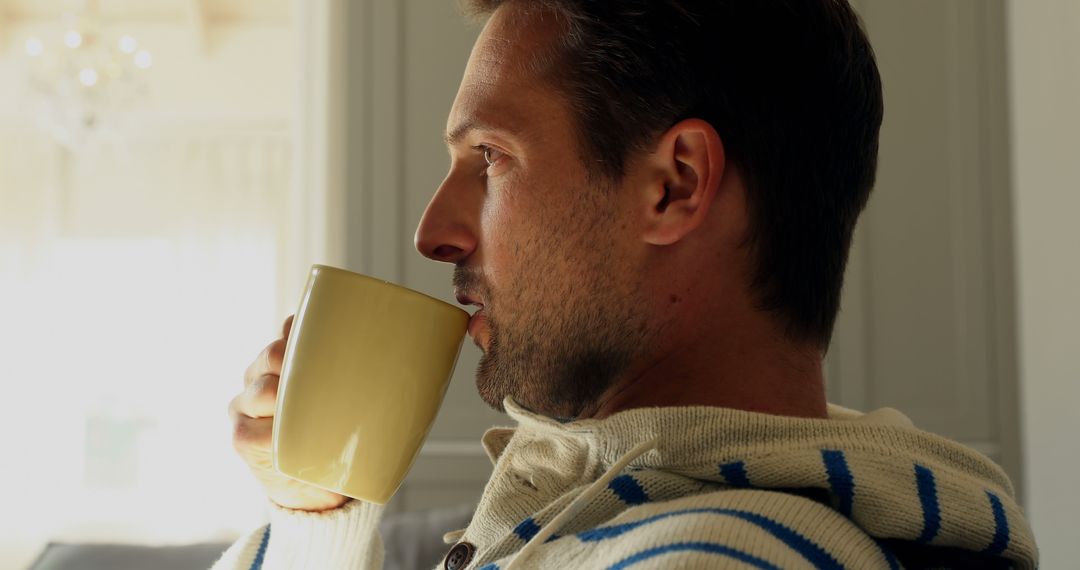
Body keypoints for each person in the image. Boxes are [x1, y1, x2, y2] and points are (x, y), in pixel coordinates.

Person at [215, 1, 1038, 568]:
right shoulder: (682, 520)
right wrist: (315, 517)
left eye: (490, 159)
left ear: (674, 185)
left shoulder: (715, 556)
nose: (434, 232)